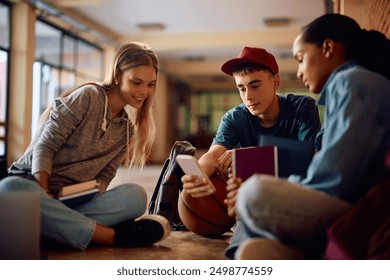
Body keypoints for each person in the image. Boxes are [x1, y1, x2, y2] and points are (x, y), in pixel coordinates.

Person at [225, 13, 390, 259]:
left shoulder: (351, 82)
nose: (300, 72)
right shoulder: (348, 85)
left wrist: (280, 189)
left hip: (358, 204)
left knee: (254, 193)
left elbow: (333, 179)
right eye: (241, 88)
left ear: (328, 48)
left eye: (301, 59)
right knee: (253, 252)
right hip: (345, 196)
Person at [1, 42, 171, 250]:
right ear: (117, 76)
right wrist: (44, 193)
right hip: (34, 187)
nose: (144, 92)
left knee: (135, 196)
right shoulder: (89, 96)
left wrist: (86, 192)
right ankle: (110, 236)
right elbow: (45, 146)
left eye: (150, 84)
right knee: (10, 188)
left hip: (68, 200)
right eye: (136, 82)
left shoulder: (127, 130)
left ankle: (50, 227)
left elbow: (104, 178)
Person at [182, 46, 321, 198]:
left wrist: (253, 155)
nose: (248, 96)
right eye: (242, 89)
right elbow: (213, 155)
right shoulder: (234, 117)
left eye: (255, 86)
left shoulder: (302, 107)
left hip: (296, 192)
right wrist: (197, 176)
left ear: (275, 82)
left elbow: (312, 157)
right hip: (256, 195)